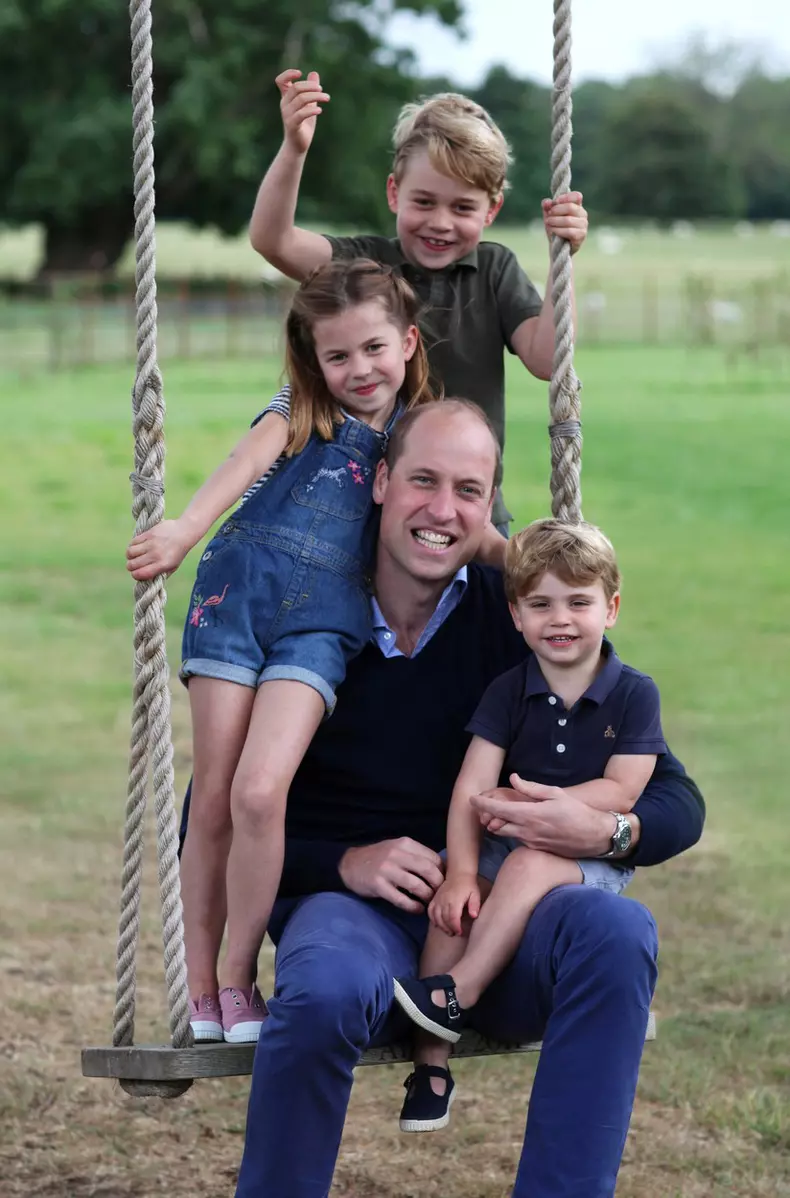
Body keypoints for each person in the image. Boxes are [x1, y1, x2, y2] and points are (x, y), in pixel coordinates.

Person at [188, 399, 706, 1198]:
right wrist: (344, 863)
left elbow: (675, 797)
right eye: (423, 480)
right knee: (323, 982)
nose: (442, 509)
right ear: (382, 482)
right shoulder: (307, 621)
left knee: (614, 928)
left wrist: (603, 828)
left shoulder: (523, 621)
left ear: (491, 502)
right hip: (351, 917)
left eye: (469, 489)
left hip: (501, 923)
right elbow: (214, 815)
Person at [126, 259, 443, 1046]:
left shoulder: (417, 432)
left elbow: (452, 513)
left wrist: (531, 562)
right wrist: (183, 530)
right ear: (315, 361)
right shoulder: (302, 406)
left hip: (324, 622)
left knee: (262, 794)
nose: (358, 370)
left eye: (373, 349)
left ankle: (239, 976)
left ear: (406, 342)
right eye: (338, 356)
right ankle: (201, 988)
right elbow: (240, 467)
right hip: (236, 597)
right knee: (214, 797)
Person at [392, 518, 667, 1133]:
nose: (560, 619)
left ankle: (460, 989)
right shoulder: (509, 691)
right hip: (506, 835)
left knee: (529, 861)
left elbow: (624, 788)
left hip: (586, 851)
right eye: (540, 604)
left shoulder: (634, 695)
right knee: (451, 906)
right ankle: (431, 1063)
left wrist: (548, 810)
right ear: (516, 615)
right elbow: (471, 788)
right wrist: (462, 873)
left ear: (611, 608)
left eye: (579, 602)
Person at [249, 74, 589, 532]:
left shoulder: (494, 270)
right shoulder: (365, 265)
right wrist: (294, 148)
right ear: (394, 193)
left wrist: (559, 259)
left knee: (487, 601)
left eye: (463, 208)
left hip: (469, 513)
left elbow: (547, 359)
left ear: (491, 211)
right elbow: (274, 240)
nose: (441, 222)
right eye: (424, 202)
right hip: (365, 512)